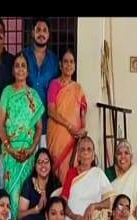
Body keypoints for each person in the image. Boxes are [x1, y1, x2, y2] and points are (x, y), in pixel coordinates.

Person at [0, 52, 44, 220]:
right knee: (11, 194)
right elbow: (0, 123)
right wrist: (9, 149)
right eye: (17, 65)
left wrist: (32, 150)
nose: (20, 69)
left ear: (28, 71)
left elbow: (39, 127)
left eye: (23, 65)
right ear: (12, 70)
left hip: (28, 154)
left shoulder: (33, 95)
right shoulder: (7, 92)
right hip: (11, 152)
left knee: (25, 194)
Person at [47, 48, 87, 184]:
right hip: (58, 136)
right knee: (59, 171)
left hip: (74, 137)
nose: (68, 65)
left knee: (74, 172)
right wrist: (69, 126)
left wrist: (83, 127)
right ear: (60, 65)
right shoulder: (54, 85)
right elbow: (51, 111)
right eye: (65, 62)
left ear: (75, 66)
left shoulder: (77, 88)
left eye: (71, 62)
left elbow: (83, 109)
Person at [14, 148, 62, 220]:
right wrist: (36, 209)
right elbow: (20, 215)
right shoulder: (29, 184)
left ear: (50, 164)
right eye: (39, 162)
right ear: (35, 166)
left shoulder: (56, 184)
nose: (43, 165)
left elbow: (61, 210)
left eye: (46, 162)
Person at [22, 17, 60, 147]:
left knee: (44, 162)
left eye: (44, 30)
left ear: (48, 35)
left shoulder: (54, 61)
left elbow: (58, 91)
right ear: (33, 33)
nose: (41, 33)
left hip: (46, 123)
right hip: (25, 122)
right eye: (38, 30)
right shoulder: (23, 56)